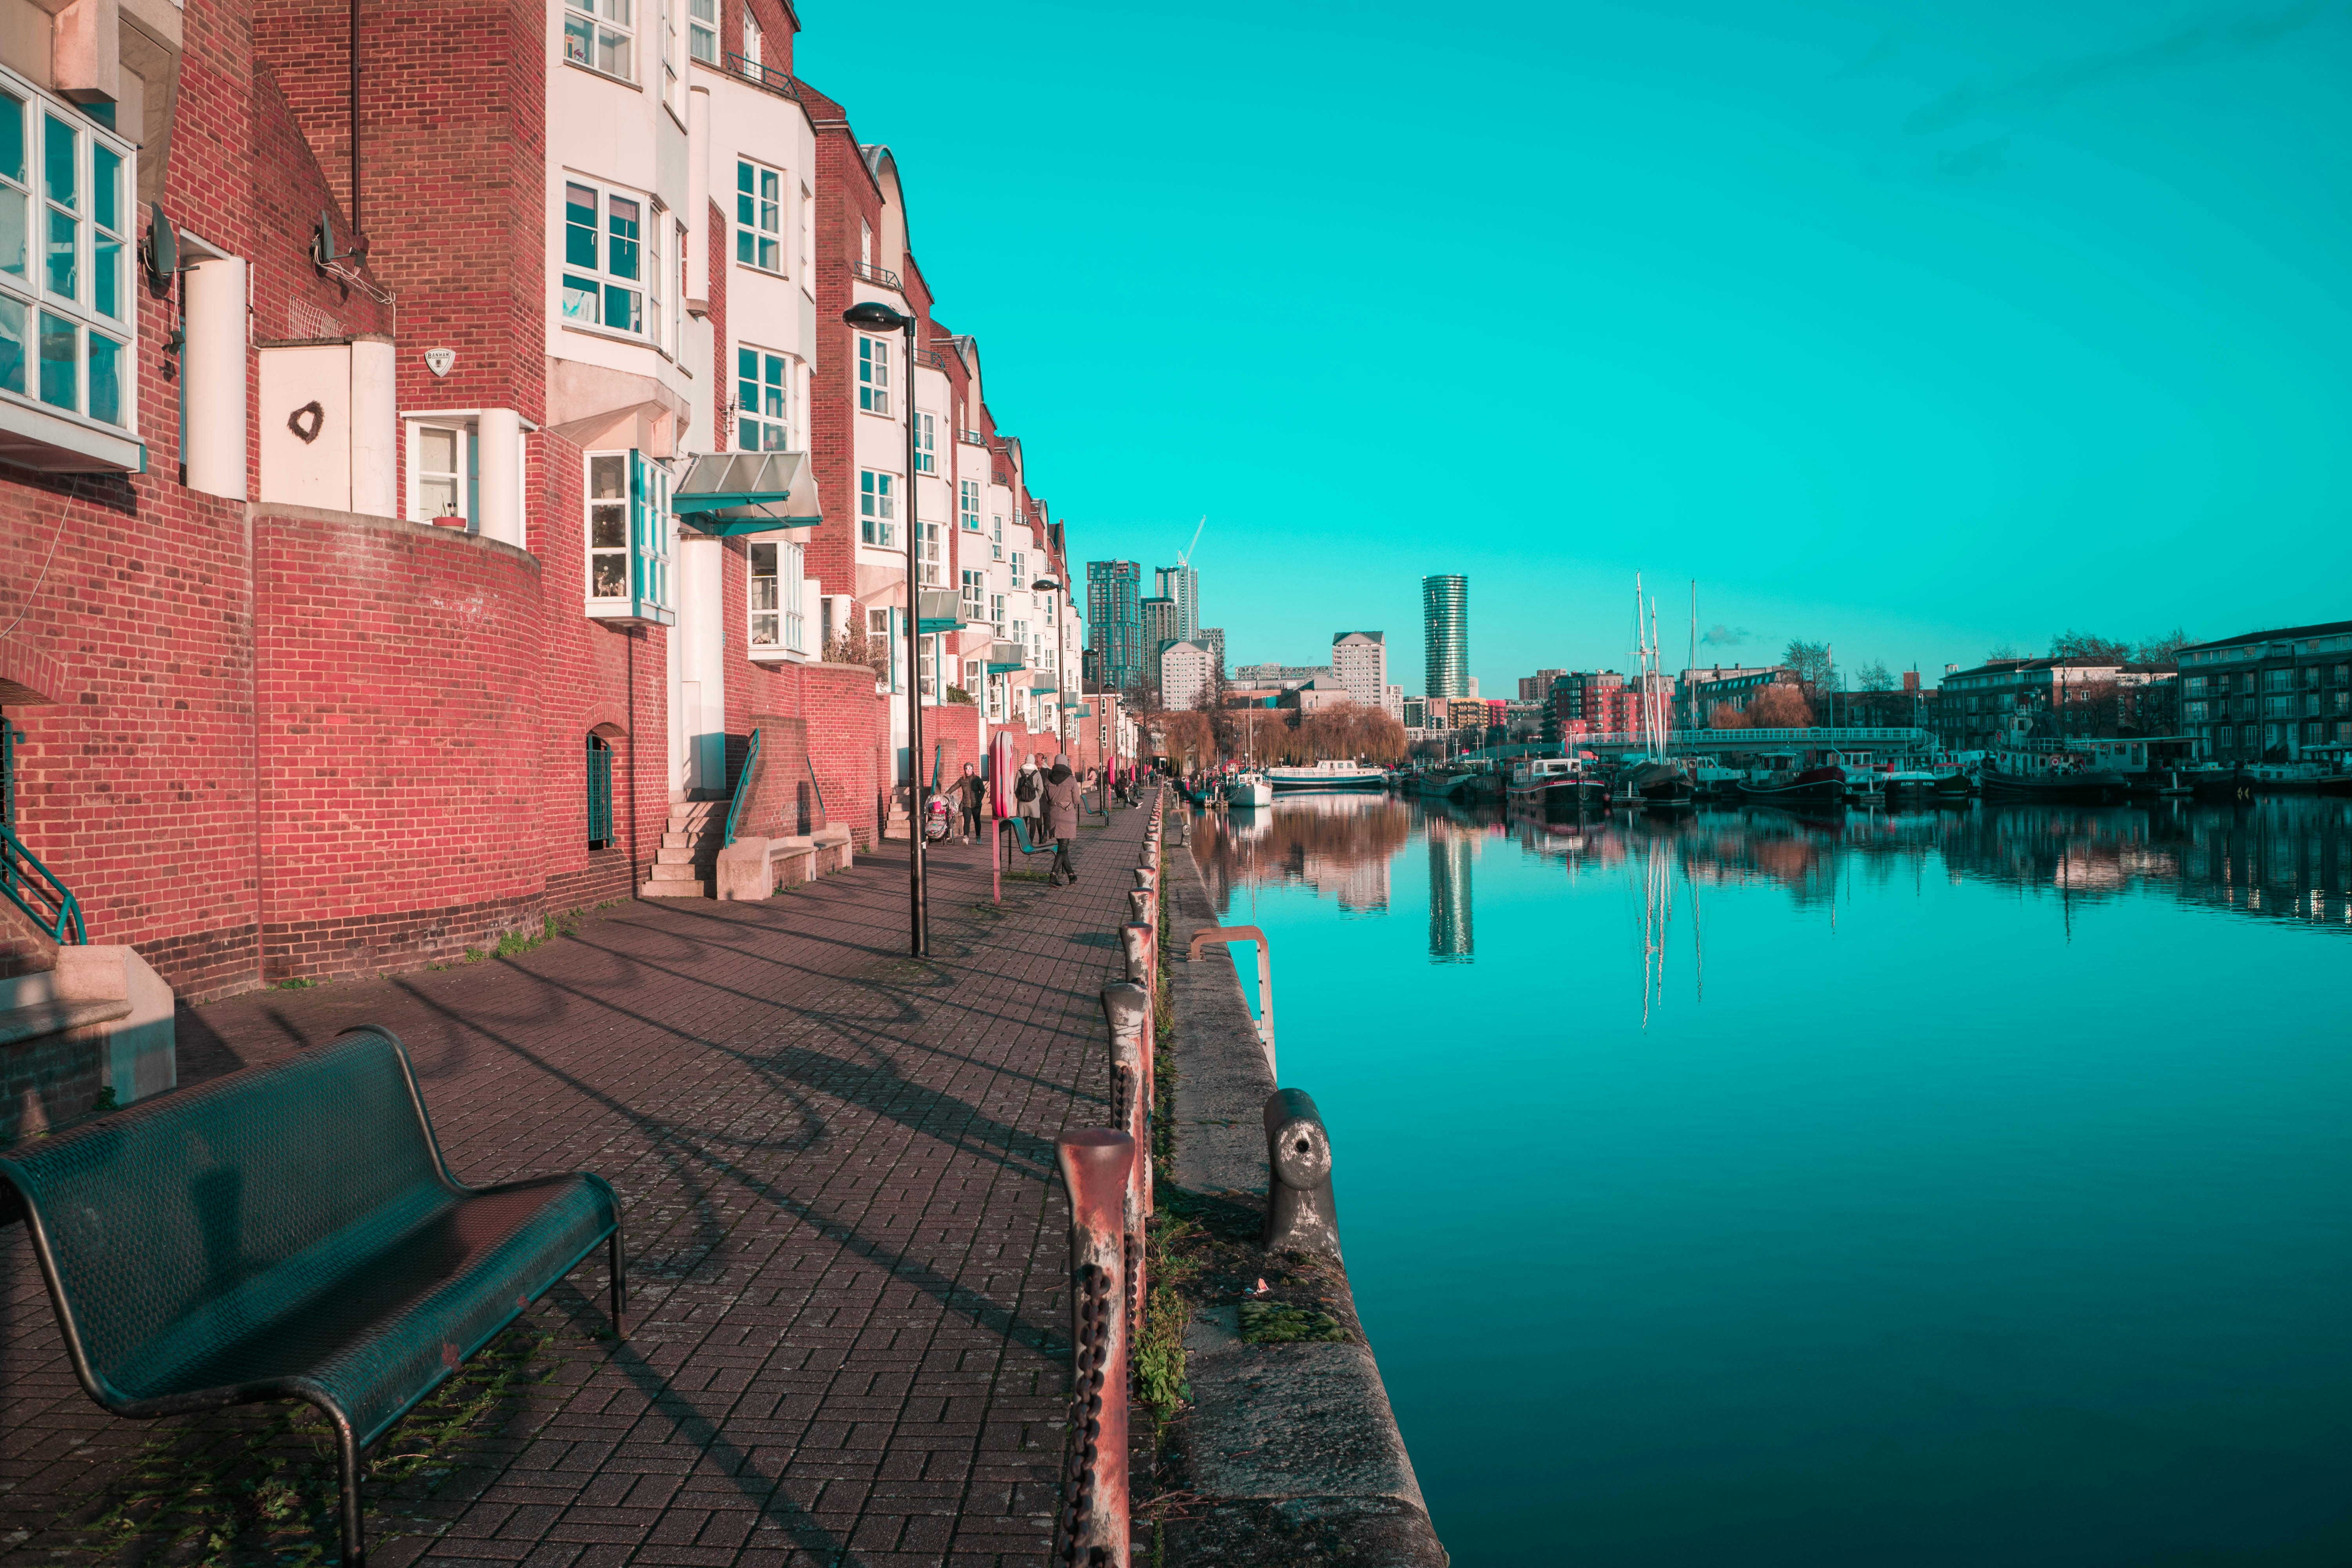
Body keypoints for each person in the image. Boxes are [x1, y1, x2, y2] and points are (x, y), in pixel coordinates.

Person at [1042, 752, 1083, 886]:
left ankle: (1071, 875)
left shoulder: (1048, 780)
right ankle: (1053, 875)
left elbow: (1047, 800)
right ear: (1066, 764)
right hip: (1067, 816)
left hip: (1054, 815)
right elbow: (1077, 800)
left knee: (1062, 846)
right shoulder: (1071, 780)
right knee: (1064, 846)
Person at [954, 762, 987, 845]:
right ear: (965, 770)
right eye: (967, 769)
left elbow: (983, 790)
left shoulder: (977, 779)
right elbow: (954, 787)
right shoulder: (962, 780)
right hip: (966, 804)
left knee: (977, 821)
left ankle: (978, 838)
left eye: (970, 768)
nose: (968, 770)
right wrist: (947, 793)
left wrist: (979, 800)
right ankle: (966, 838)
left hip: (976, 805)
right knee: (967, 821)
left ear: (972, 770)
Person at [1015, 753, 1043, 826]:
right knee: (1033, 823)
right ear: (1034, 761)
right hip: (1034, 800)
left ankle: (1024, 837)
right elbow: (1041, 788)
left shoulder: (1019, 772)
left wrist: (1020, 797)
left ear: (1026, 761)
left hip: (1022, 801)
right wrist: (1037, 797)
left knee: (1023, 822)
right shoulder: (1037, 773)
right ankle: (1031, 838)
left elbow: (1016, 788)